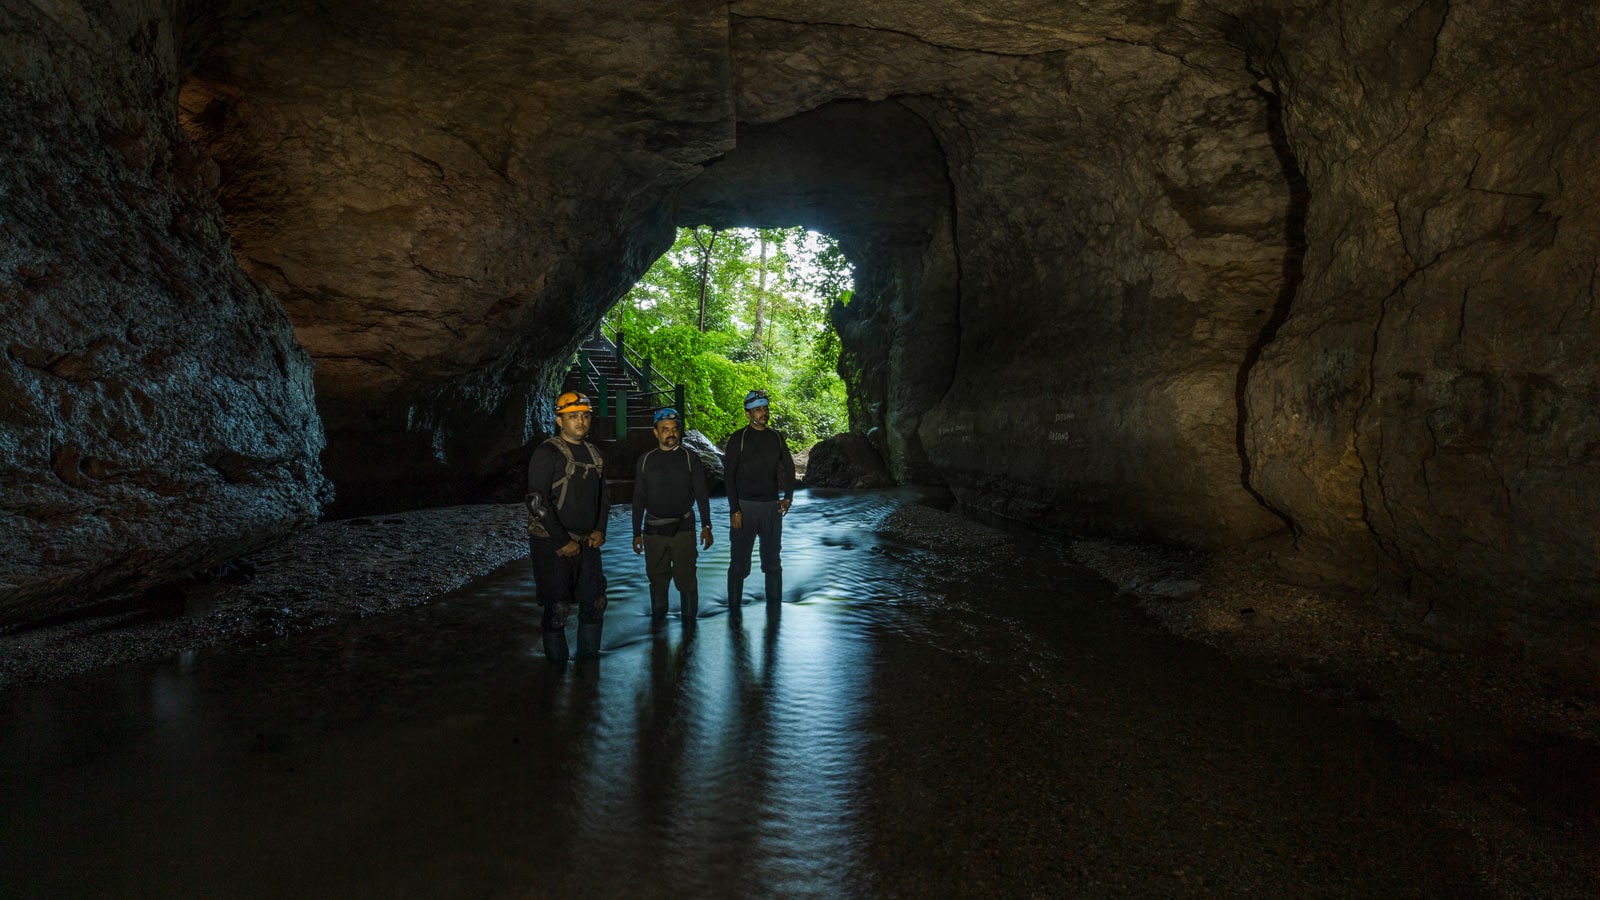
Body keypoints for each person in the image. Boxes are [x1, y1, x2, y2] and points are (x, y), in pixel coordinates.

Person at [526, 390, 610, 662]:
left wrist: (600, 529)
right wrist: (563, 541)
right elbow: (535, 501)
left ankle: (588, 669)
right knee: (558, 608)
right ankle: (556, 673)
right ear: (560, 420)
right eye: (572, 416)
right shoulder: (547, 452)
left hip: (588, 542)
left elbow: (603, 496)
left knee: (596, 603)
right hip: (552, 544)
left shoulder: (594, 453)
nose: (580, 422)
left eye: (584, 416)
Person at [632, 407, 713, 623]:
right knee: (657, 580)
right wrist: (636, 533)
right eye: (665, 429)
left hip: (683, 529)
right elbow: (639, 498)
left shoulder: (690, 458)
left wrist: (707, 525)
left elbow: (702, 494)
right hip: (653, 531)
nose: (671, 433)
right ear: (656, 432)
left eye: (675, 429)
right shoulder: (645, 460)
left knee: (686, 579)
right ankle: (659, 629)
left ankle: (689, 629)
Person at [723, 388, 795, 612]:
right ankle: (734, 612)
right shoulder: (739, 438)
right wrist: (734, 509)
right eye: (757, 409)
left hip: (771, 508)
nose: (763, 412)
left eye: (765, 408)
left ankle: (774, 611)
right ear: (748, 414)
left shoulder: (775, 437)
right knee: (739, 563)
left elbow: (790, 467)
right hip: (745, 509)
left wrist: (788, 497)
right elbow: (728, 476)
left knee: (773, 562)